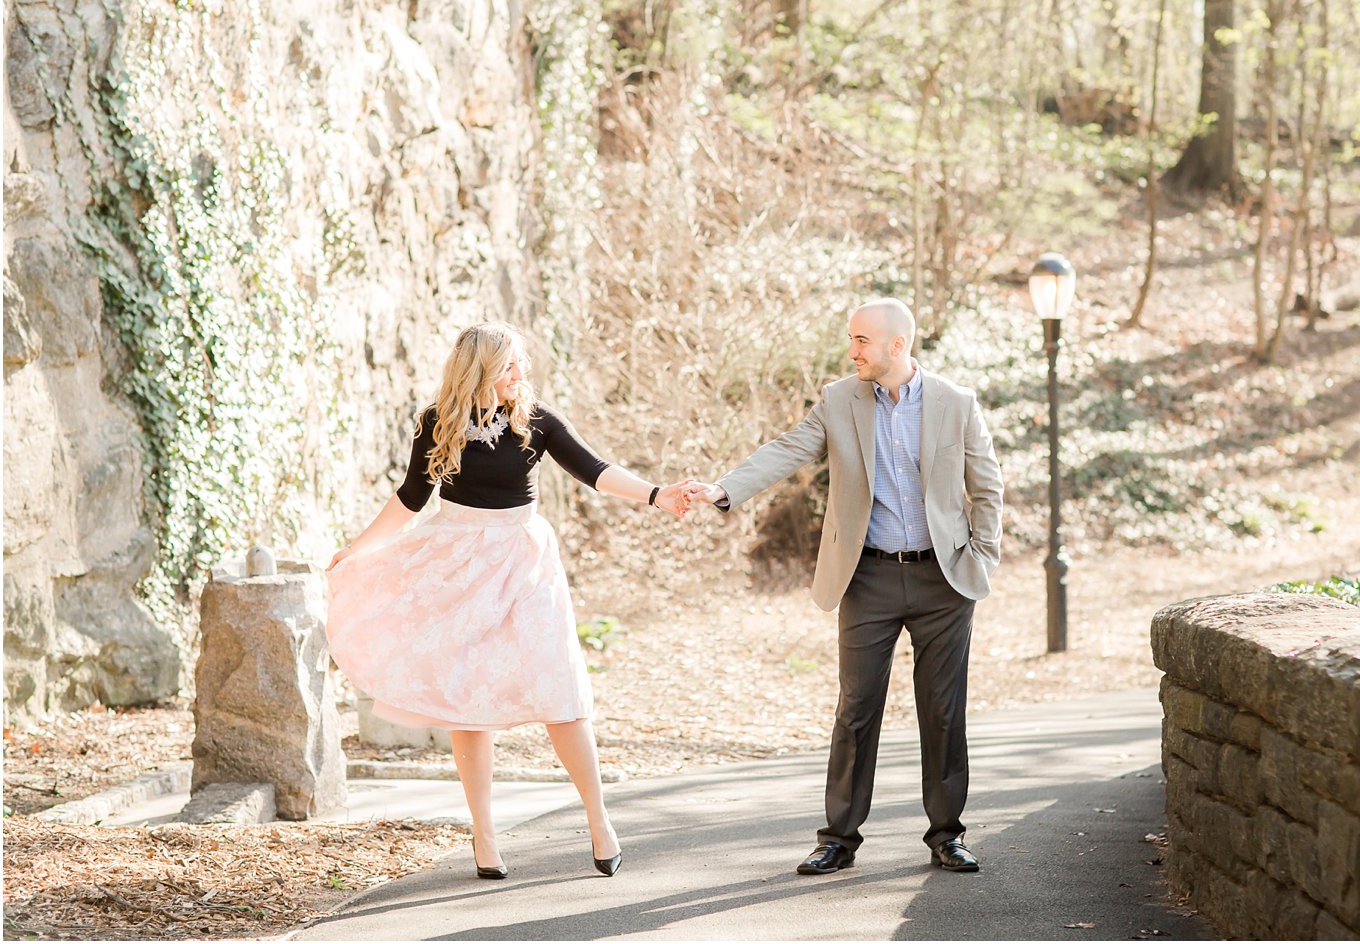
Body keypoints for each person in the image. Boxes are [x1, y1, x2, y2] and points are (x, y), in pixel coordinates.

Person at [326, 322, 695, 880]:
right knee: (468, 701)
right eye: (508, 368)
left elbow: (594, 471)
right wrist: (354, 550)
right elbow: (410, 498)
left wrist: (656, 494)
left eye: (521, 365)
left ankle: (599, 820)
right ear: (477, 371)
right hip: (457, 563)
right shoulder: (437, 422)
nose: (520, 375)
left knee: (560, 687)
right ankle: (485, 834)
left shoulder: (535, 420)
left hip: (523, 562)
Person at [689, 297, 1004, 875]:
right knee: (856, 708)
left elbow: (985, 484)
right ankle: (838, 837)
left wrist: (981, 555)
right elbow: (788, 448)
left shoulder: (955, 404)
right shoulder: (840, 400)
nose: (853, 350)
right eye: (852, 339)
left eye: (862, 340)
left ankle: (946, 835)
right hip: (868, 576)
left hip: (944, 578)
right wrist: (722, 489)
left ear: (897, 345)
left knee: (942, 710)